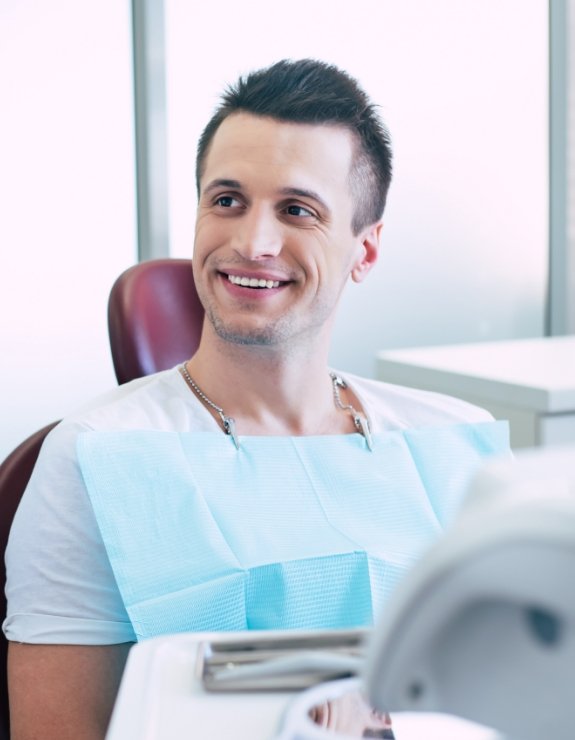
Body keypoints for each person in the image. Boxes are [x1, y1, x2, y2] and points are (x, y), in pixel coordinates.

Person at [4, 59, 509, 739]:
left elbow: (507, 704)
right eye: (227, 200)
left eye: (296, 210)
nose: (252, 243)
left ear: (364, 251)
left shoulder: (455, 446)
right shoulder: (94, 459)